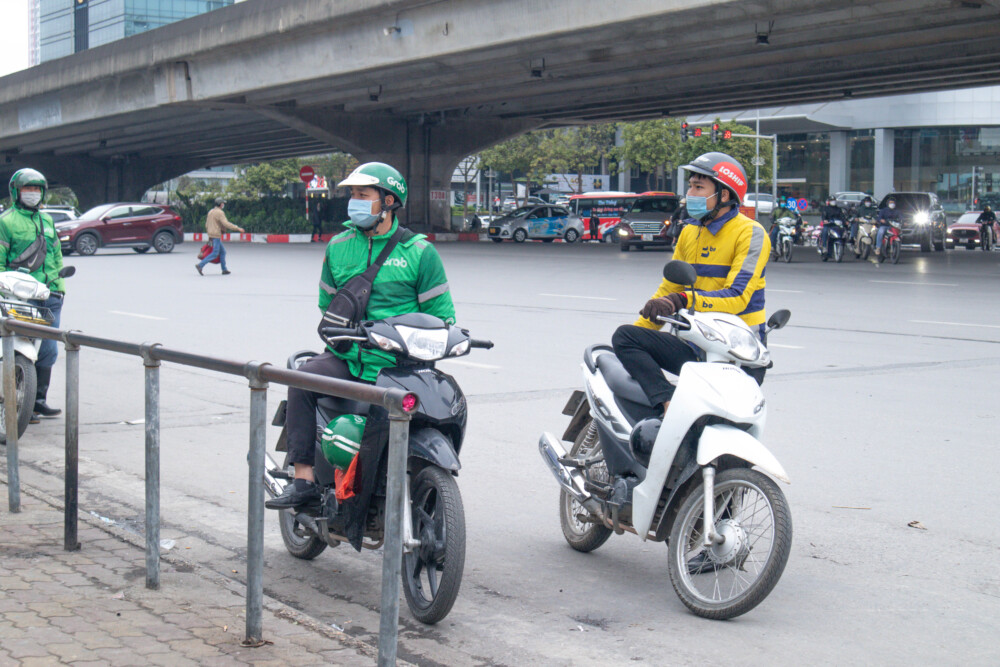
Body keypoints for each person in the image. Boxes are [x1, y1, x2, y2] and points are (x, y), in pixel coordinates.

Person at [266, 162, 456, 509]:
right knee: (301, 379)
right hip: (349, 358)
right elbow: (328, 304)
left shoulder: (419, 252)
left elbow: (442, 317)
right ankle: (303, 479)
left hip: (401, 365)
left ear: (388, 200)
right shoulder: (338, 247)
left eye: (362, 195)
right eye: (352, 194)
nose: (354, 201)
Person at [611, 152, 770, 417]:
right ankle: (667, 403)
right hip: (696, 347)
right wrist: (647, 319)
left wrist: (682, 301)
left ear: (725, 194)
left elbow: (738, 296)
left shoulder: (751, 233)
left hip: (736, 353)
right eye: (691, 185)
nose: (690, 193)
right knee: (625, 337)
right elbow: (669, 290)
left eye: (699, 187)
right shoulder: (689, 231)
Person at [0, 169, 66, 420]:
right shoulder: (6, 221)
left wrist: (58, 284)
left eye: (37, 189)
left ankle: (38, 400)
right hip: (19, 294)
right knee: (16, 346)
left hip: (49, 294)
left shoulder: (46, 220)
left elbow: (55, 254)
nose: (33, 194)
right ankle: (16, 398)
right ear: (16, 192)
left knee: (48, 349)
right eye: (28, 189)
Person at [196, 198, 244, 275]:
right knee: (215, 253)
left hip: (211, 234)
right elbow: (226, 223)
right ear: (221, 204)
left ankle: (224, 269)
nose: (223, 204)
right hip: (216, 235)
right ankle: (200, 265)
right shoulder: (219, 213)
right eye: (223, 203)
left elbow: (206, 224)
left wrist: (209, 233)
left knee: (223, 252)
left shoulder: (211, 211)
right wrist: (237, 228)